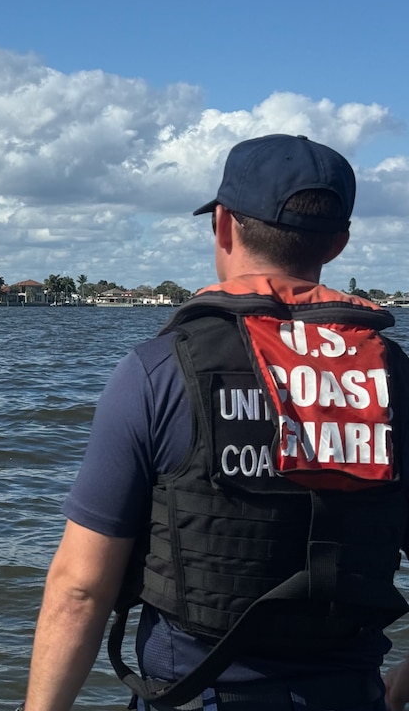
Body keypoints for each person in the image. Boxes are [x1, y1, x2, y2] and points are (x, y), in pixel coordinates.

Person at [23, 134, 409, 711]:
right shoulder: (396, 378)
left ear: (224, 225)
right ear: (338, 243)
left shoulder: (158, 371)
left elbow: (81, 589)